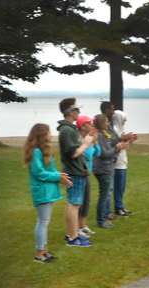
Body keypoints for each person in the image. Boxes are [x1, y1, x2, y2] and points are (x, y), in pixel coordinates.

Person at [24, 123, 72, 262]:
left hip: (48, 191)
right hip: (42, 192)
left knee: (45, 222)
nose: (51, 135)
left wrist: (60, 175)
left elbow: (50, 171)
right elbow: (39, 173)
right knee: (42, 222)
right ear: (41, 135)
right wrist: (58, 177)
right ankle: (39, 253)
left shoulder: (44, 151)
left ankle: (45, 251)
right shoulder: (35, 152)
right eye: (49, 132)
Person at [57, 97, 95, 247]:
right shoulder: (67, 130)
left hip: (76, 171)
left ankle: (70, 234)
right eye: (77, 109)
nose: (79, 112)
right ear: (71, 112)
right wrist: (86, 143)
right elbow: (73, 153)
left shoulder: (69, 128)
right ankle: (73, 238)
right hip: (75, 171)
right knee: (74, 205)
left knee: (72, 204)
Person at [93, 114, 129, 228]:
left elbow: (109, 151)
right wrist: (117, 148)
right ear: (101, 124)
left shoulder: (103, 135)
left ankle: (104, 219)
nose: (108, 123)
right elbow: (104, 154)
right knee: (104, 196)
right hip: (102, 169)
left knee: (105, 195)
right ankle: (101, 220)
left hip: (106, 168)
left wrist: (118, 146)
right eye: (106, 122)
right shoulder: (99, 136)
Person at [76, 115, 100, 238]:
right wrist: (89, 143)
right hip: (79, 173)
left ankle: (83, 225)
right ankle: (76, 227)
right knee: (78, 202)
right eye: (89, 123)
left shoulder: (88, 139)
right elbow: (86, 156)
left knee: (86, 200)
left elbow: (98, 153)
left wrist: (95, 141)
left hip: (86, 173)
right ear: (82, 126)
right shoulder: (78, 140)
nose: (91, 125)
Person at [112, 110, 133, 216]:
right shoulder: (115, 130)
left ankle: (120, 205)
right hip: (117, 163)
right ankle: (118, 207)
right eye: (123, 118)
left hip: (122, 162)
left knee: (122, 186)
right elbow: (118, 146)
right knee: (118, 186)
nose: (125, 121)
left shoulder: (120, 130)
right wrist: (128, 140)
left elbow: (123, 146)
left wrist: (130, 140)